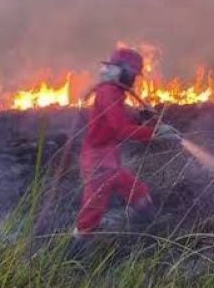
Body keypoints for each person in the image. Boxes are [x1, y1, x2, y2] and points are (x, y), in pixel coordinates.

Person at [75, 47, 180, 236]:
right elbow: (120, 129)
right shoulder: (109, 92)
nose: (133, 79)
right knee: (93, 208)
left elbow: (117, 117)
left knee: (136, 190)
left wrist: (140, 118)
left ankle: (150, 226)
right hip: (98, 161)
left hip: (107, 157)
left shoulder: (113, 91)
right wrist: (154, 133)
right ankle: (78, 245)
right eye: (132, 74)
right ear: (123, 71)